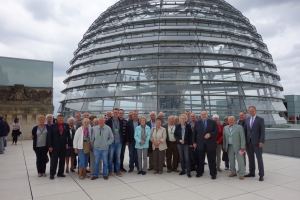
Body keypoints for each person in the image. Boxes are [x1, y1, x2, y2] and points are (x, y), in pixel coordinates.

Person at [193, 110, 218, 179]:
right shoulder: (197, 123)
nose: (204, 115)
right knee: (200, 160)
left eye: (205, 114)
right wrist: (194, 142)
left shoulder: (212, 122)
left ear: (207, 115)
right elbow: (194, 133)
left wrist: (210, 134)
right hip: (200, 144)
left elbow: (216, 131)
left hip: (210, 144)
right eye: (202, 114)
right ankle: (199, 172)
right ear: (200, 115)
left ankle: (213, 174)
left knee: (211, 160)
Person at [48, 114, 72, 180]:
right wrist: (50, 146)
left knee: (62, 160)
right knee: (54, 161)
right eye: (60, 118)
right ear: (57, 119)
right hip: (55, 146)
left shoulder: (66, 125)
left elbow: (68, 136)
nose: (61, 119)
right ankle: (52, 174)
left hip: (63, 146)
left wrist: (69, 144)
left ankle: (60, 173)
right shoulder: (52, 126)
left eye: (62, 118)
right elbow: (49, 137)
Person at [244, 106, 265, 181]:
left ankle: (261, 174)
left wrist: (261, 141)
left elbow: (262, 131)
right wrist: (245, 142)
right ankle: (252, 172)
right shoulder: (247, 119)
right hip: (249, 142)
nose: (251, 112)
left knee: (259, 158)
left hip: (257, 142)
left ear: (255, 111)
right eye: (250, 111)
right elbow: (246, 131)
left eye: (252, 111)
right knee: (250, 158)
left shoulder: (260, 119)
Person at [105, 108, 123, 177]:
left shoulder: (121, 121)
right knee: (110, 157)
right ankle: (110, 171)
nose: (116, 114)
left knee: (118, 157)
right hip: (111, 142)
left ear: (118, 113)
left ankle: (118, 171)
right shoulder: (108, 121)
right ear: (113, 113)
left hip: (119, 142)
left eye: (117, 112)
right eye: (115, 112)